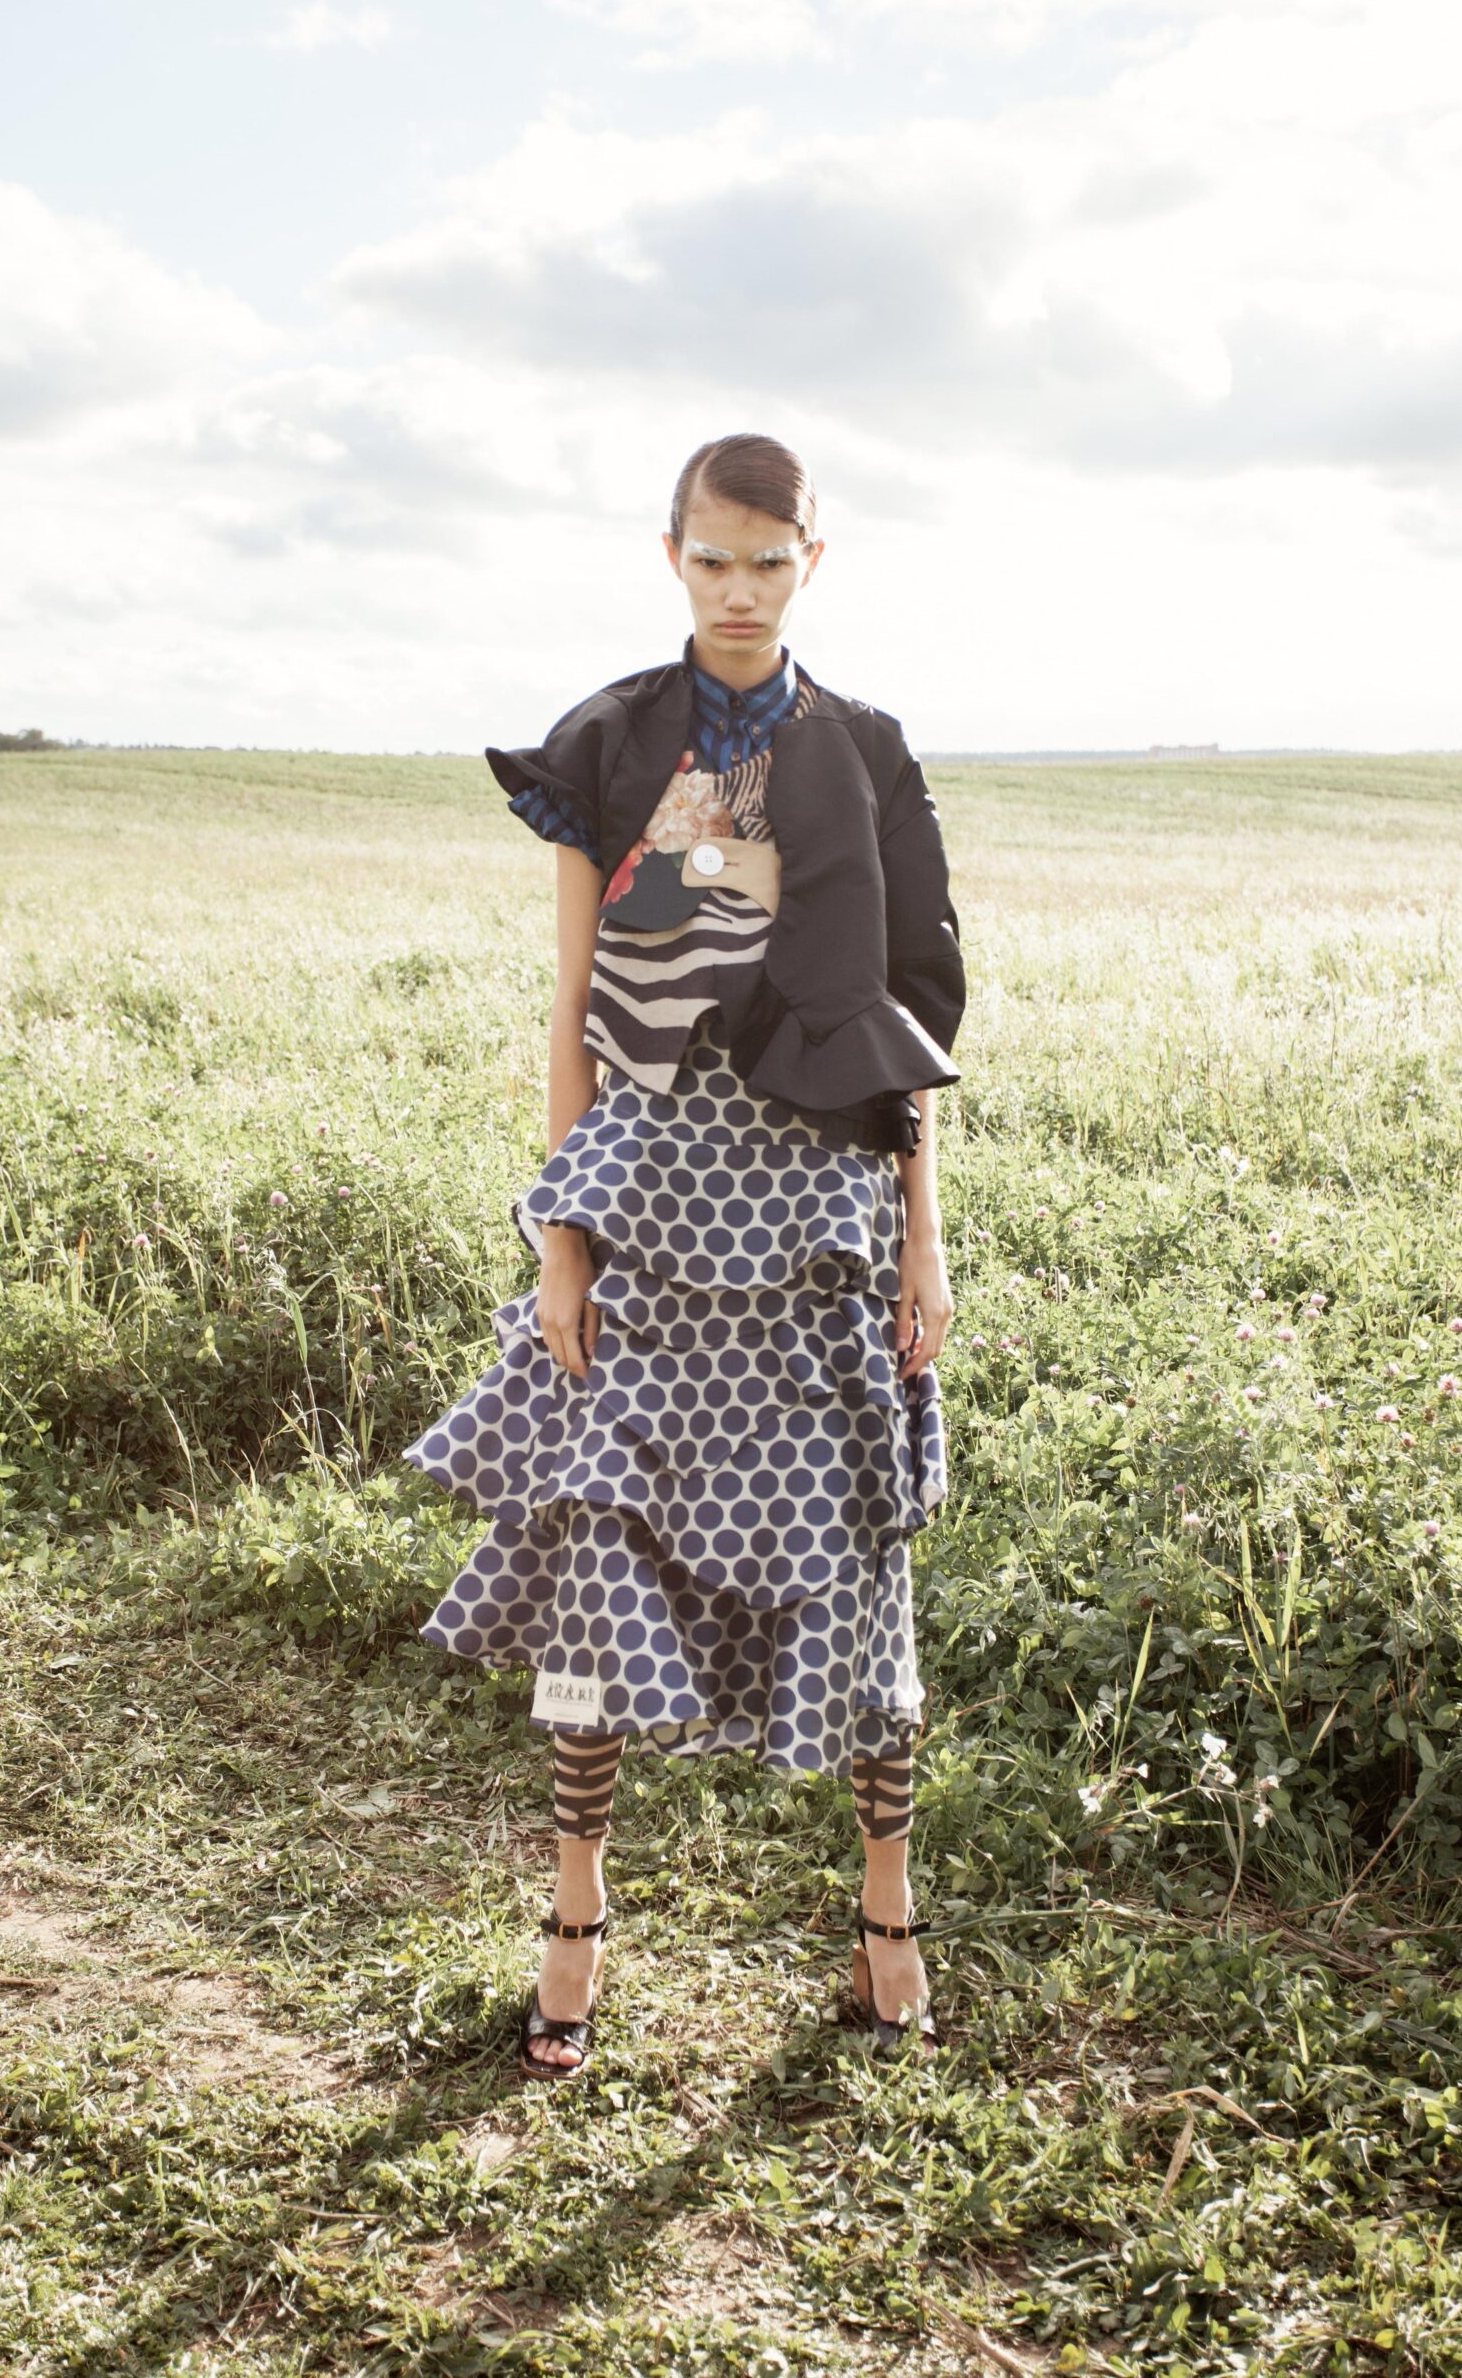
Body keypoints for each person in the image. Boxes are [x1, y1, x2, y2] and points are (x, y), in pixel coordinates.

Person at [403, 432, 965, 2078]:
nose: (739, 590)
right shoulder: (613, 740)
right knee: (599, 1548)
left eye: (768, 563)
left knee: (857, 1561)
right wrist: (560, 1240)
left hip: (819, 1218)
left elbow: (905, 1024)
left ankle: (886, 1921)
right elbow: (575, 1000)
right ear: (670, 558)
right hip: (645, 1200)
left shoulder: (861, 751)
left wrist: (923, 1242)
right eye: (711, 560)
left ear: (813, 562)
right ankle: (574, 1926)